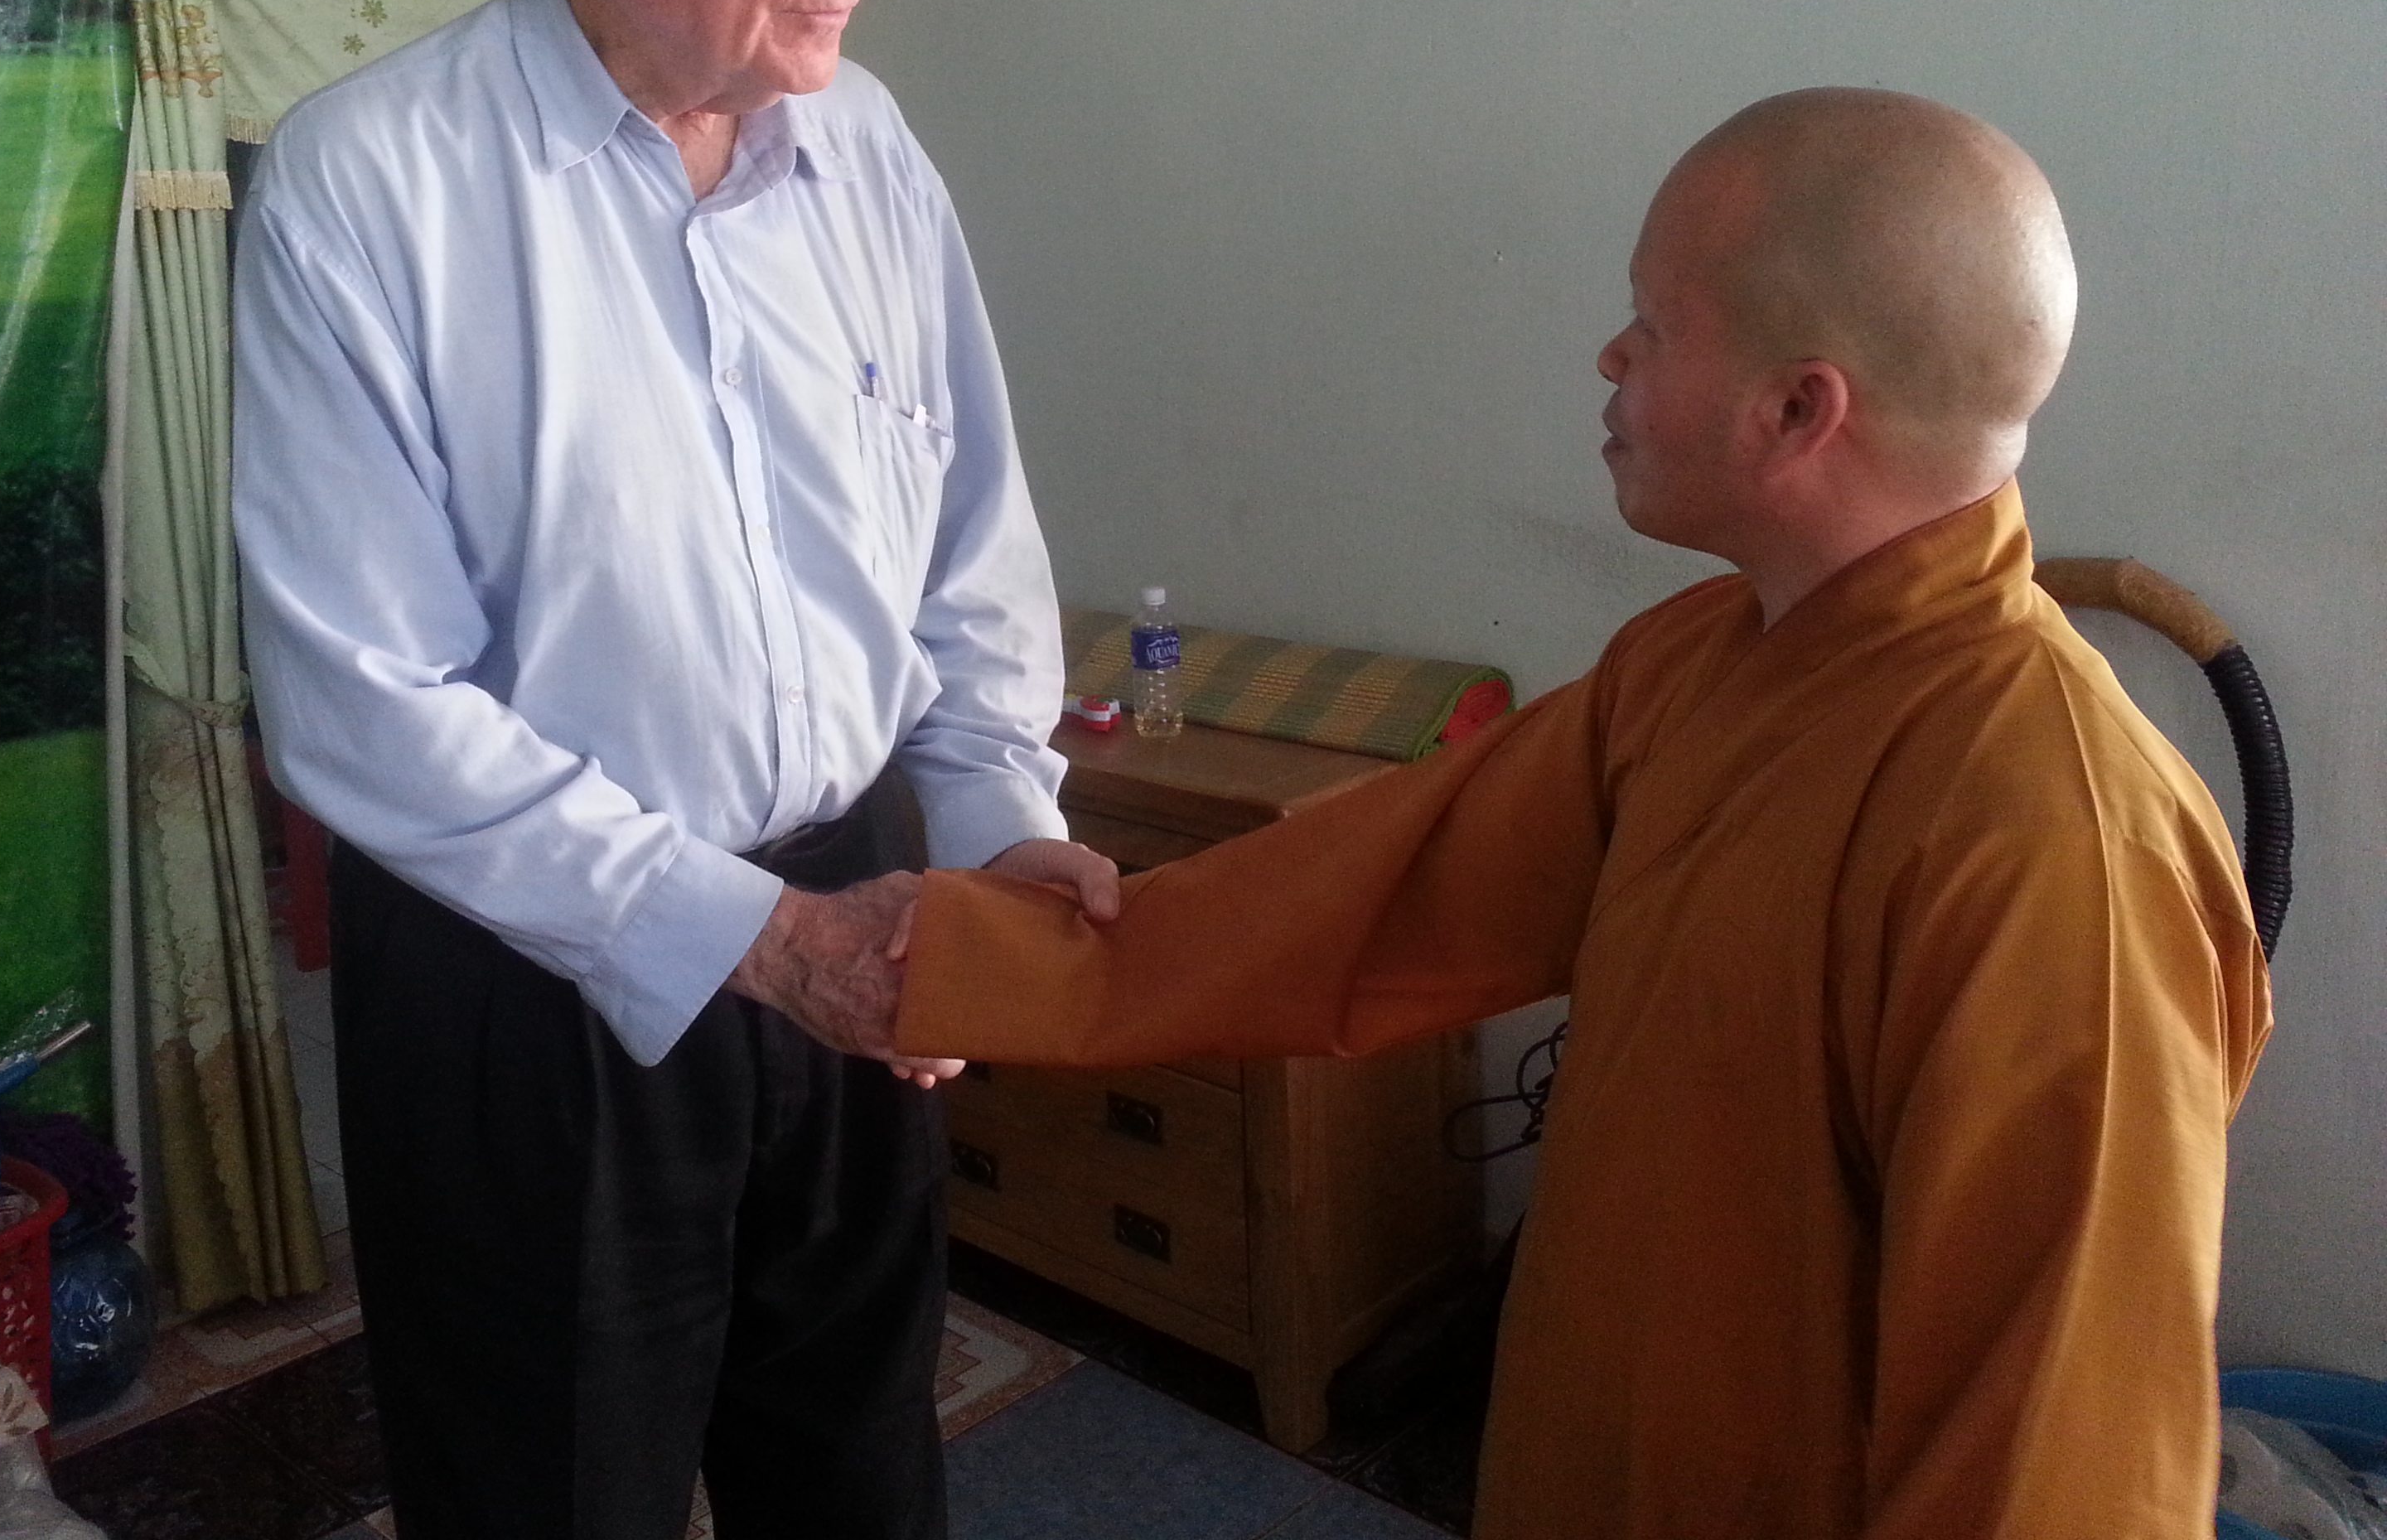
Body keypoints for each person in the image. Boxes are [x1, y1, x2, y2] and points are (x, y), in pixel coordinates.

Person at [894, 88, 2272, 1540]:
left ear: (1797, 409)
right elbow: (1376, 896)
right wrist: (958, 962)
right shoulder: (1696, 663)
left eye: (1652, 326)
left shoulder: (2057, 845)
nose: (1610, 357)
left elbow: (2061, 1457)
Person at [232, 0, 1114, 1540]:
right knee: (551, 1492)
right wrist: (762, 943)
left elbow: (971, 547)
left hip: (861, 910)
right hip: (530, 974)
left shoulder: (868, 150)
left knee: (856, 1471)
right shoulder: (369, 189)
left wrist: (994, 830)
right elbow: (362, 703)